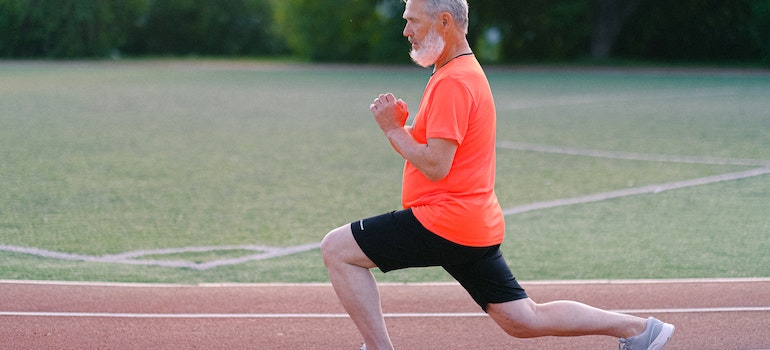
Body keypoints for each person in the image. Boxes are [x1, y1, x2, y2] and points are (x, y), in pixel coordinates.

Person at [320, 0, 675, 349]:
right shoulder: (460, 71)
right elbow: (444, 148)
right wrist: (401, 127)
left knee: (338, 248)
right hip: (470, 224)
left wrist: (392, 131)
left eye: (412, 21)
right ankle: (640, 329)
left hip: (445, 221)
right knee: (523, 319)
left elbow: (435, 165)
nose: (406, 31)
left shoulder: (453, 81)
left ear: (445, 22)